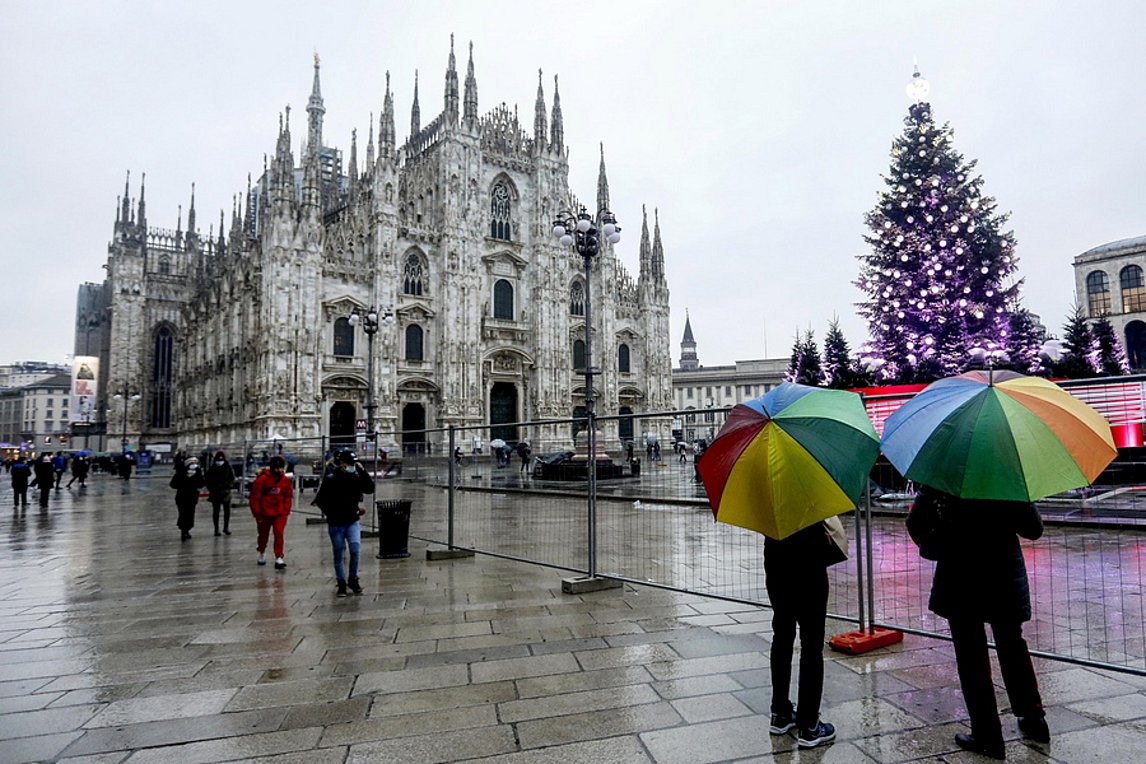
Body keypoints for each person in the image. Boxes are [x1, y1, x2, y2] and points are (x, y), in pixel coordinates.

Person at [907, 486, 1047, 759]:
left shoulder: (943, 477)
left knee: (971, 656)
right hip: (1004, 578)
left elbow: (917, 525)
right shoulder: (1007, 475)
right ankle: (1033, 718)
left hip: (961, 578)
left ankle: (987, 735)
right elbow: (1034, 529)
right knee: (1012, 646)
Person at [764, 522, 839, 749]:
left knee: (782, 635)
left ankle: (780, 713)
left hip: (776, 555)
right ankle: (810, 726)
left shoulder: (768, 490)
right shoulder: (810, 488)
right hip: (809, 557)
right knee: (811, 643)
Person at [313, 449, 374, 597]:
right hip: (336, 523)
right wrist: (331, 513)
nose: (353, 465)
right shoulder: (331, 478)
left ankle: (353, 578)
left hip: (352, 521)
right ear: (342, 463)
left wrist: (363, 471)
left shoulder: (355, 477)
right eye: (350, 463)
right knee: (339, 553)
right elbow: (320, 500)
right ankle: (341, 582)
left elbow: (370, 489)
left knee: (355, 549)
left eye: (354, 463)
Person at [249, 455, 293, 569]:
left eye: (281, 468)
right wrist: (257, 513)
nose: (279, 470)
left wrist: (286, 510)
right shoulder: (262, 480)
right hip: (264, 513)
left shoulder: (284, 480)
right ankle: (262, 552)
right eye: (277, 468)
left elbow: (288, 495)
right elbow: (254, 497)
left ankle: (279, 556)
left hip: (280, 512)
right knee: (263, 534)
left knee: (279, 533)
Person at [170, 456, 205, 540]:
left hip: (190, 496)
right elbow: (173, 484)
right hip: (183, 496)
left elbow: (202, 483)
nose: (193, 465)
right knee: (183, 513)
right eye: (192, 463)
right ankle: (183, 530)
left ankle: (186, 529)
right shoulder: (181, 472)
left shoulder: (197, 471)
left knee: (188, 514)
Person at [205, 450, 235, 536]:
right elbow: (208, 480)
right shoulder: (212, 468)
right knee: (216, 512)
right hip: (216, 492)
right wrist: (212, 488)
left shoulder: (227, 467)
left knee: (227, 511)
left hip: (226, 492)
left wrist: (229, 486)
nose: (220, 462)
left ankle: (226, 528)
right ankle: (216, 529)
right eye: (218, 460)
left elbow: (232, 478)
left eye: (221, 460)